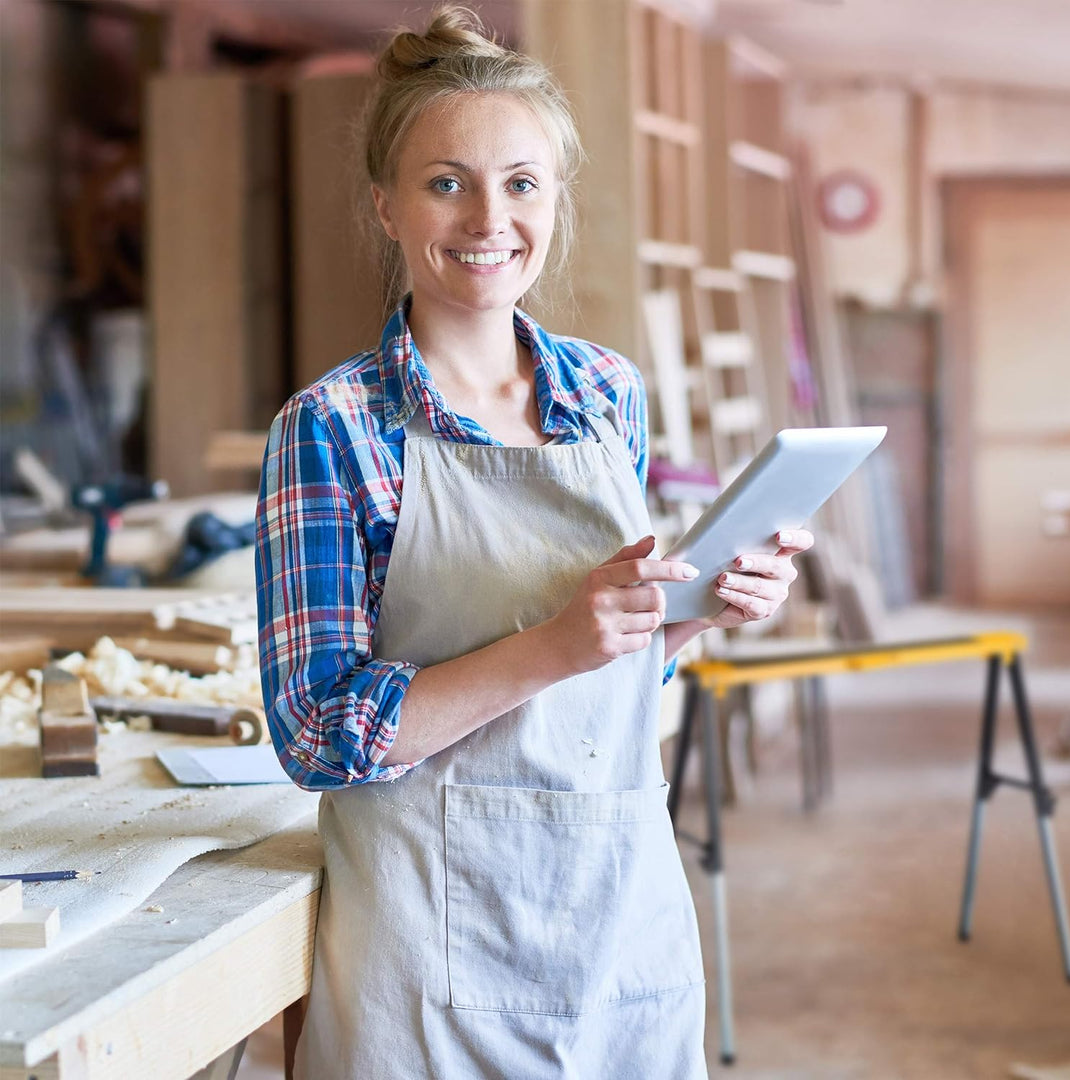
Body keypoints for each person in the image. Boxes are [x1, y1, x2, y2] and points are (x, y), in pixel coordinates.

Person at [256, 7, 813, 1077]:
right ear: (385, 203)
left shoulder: (607, 392)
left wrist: (696, 613)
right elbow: (318, 735)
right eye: (445, 181)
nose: (489, 218)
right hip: (427, 958)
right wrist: (559, 642)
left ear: (555, 199)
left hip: (619, 925)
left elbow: (611, 681)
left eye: (522, 183)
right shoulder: (332, 430)